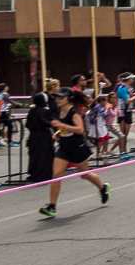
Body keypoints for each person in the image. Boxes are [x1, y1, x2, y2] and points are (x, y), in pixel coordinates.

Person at [40, 89, 109, 218]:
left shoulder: (74, 112)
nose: (58, 99)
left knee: (84, 174)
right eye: (57, 97)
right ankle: (52, 206)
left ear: (69, 98)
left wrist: (62, 125)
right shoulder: (59, 111)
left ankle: (102, 188)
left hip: (77, 147)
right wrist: (59, 132)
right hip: (64, 147)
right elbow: (64, 128)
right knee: (56, 175)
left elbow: (80, 129)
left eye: (61, 97)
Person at [25, 88, 56, 184]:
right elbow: (47, 122)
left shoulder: (32, 111)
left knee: (34, 155)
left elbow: (27, 124)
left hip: (33, 135)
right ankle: (44, 174)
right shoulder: (44, 111)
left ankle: (34, 173)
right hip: (43, 135)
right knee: (45, 155)